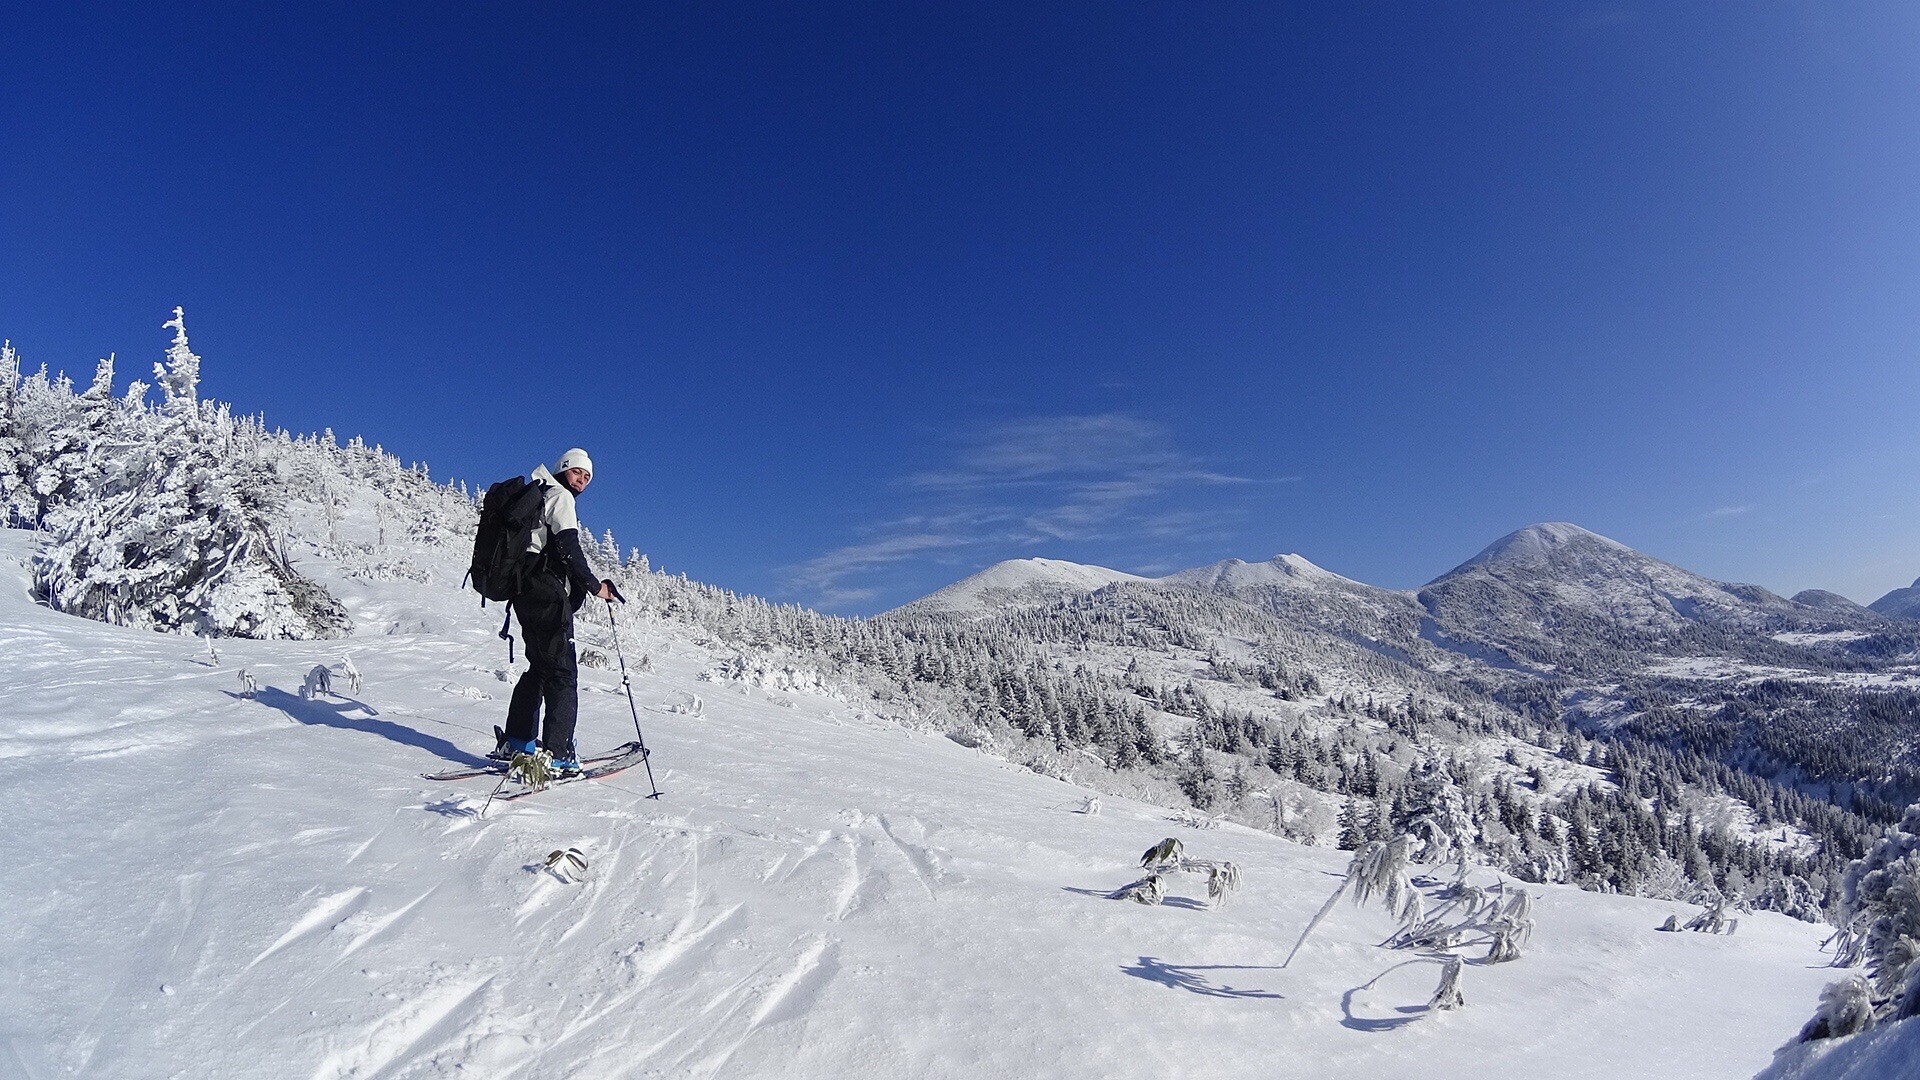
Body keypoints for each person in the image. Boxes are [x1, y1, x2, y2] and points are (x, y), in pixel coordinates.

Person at [493, 448, 620, 775]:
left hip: (523, 591)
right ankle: (559, 753)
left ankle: (517, 741)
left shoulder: (539, 495)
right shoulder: (560, 497)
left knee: (540, 667)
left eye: (588, 477)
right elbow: (568, 549)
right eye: (578, 472)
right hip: (546, 593)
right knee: (562, 672)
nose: (582, 480)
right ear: (564, 469)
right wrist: (596, 587)